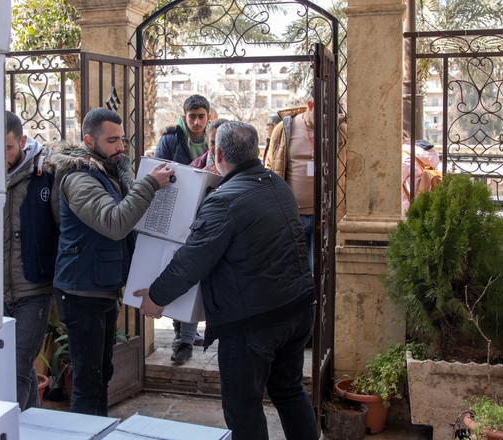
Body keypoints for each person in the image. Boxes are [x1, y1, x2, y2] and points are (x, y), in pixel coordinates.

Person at [135, 121, 317, 440]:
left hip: (253, 322)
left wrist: (156, 296)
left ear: (217, 153)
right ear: (256, 150)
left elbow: (193, 259)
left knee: (243, 408)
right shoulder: (277, 184)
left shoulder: (225, 199)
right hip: (297, 308)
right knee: (288, 391)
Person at [50, 108, 174, 416]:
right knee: (88, 381)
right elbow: (115, 222)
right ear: (89, 140)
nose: (120, 147)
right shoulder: (79, 177)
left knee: (101, 375)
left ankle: (99, 430)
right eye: (112, 141)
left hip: (99, 287)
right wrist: (148, 186)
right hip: (81, 291)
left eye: (122, 140)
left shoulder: (107, 171)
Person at [3, 111, 58, 410]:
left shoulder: (45, 173)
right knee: (13, 370)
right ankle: (34, 426)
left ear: (22, 141)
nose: (1, 156)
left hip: (33, 290)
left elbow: (62, 226)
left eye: (8, 148)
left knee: (16, 370)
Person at [155, 94, 210, 363]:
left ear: (208, 115)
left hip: (206, 212)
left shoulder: (216, 138)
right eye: (192, 116)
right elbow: (159, 171)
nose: (197, 122)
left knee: (193, 273)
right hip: (176, 212)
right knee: (177, 270)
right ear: (184, 115)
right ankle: (183, 336)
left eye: (201, 116)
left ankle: (185, 337)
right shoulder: (170, 140)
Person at [264, 95, 315, 270]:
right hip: (292, 216)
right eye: (322, 112)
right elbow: (271, 166)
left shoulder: (339, 130)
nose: (327, 118)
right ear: (310, 105)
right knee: (291, 269)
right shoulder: (285, 128)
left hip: (325, 217)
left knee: (317, 270)